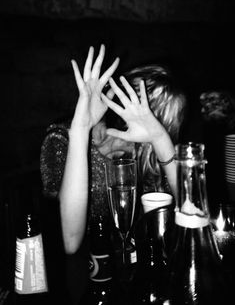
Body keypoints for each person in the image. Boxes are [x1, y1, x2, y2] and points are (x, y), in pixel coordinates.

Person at [40, 44, 186, 302]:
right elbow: (71, 242)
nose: (152, 120)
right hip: (87, 285)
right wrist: (80, 129)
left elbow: (192, 211)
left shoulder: (150, 157)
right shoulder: (63, 139)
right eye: (151, 108)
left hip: (140, 283)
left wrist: (160, 140)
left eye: (164, 120)